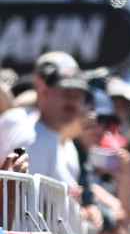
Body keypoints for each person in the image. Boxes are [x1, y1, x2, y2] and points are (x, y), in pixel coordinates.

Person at [0, 52, 90, 186]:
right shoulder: (21, 127)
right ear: (42, 89)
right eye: (65, 90)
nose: (73, 99)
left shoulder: (69, 147)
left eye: (78, 92)